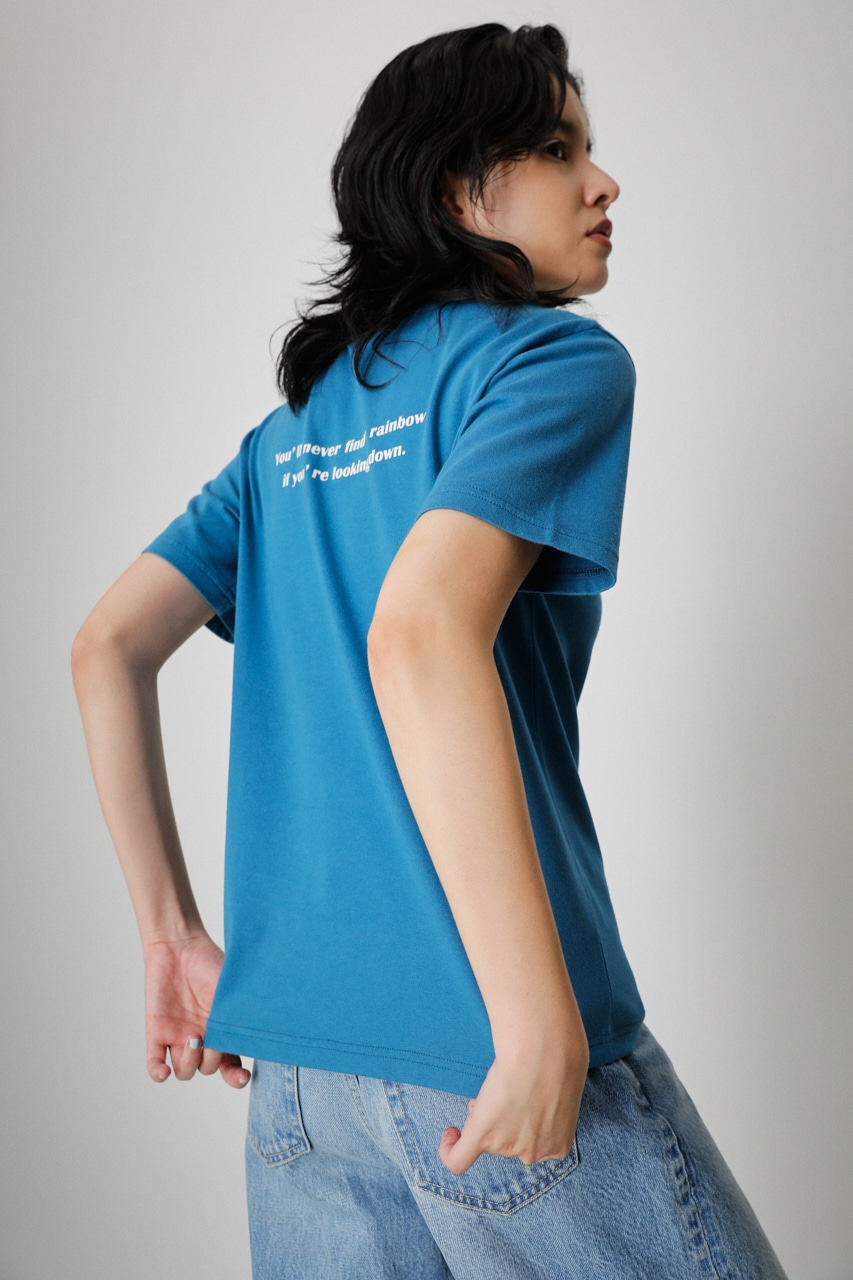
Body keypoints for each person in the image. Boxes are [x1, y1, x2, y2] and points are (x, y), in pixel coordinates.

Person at [72, 22, 788, 1280]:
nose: (603, 183)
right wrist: (534, 1017)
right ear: (458, 188)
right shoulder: (548, 362)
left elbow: (105, 645)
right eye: (559, 149)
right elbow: (419, 627)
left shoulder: (287, 439)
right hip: (496, 1051)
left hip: (301, 1084)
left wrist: (172, 936)